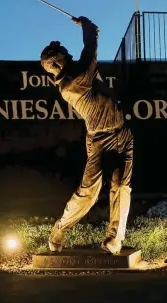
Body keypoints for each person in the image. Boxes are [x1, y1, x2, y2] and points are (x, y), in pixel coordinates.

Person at [40, 16, 133, 255]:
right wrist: (88, 28)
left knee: (121, 186)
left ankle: (114, 239)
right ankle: (59, 229)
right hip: (100, 141)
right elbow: (90, 51)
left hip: (122, 133)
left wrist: (90, 30)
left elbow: (87, 52)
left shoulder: (77, 73)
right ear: (57, 64)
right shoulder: (73, 82)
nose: (68, 54)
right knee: (88, 192)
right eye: (63, 54)